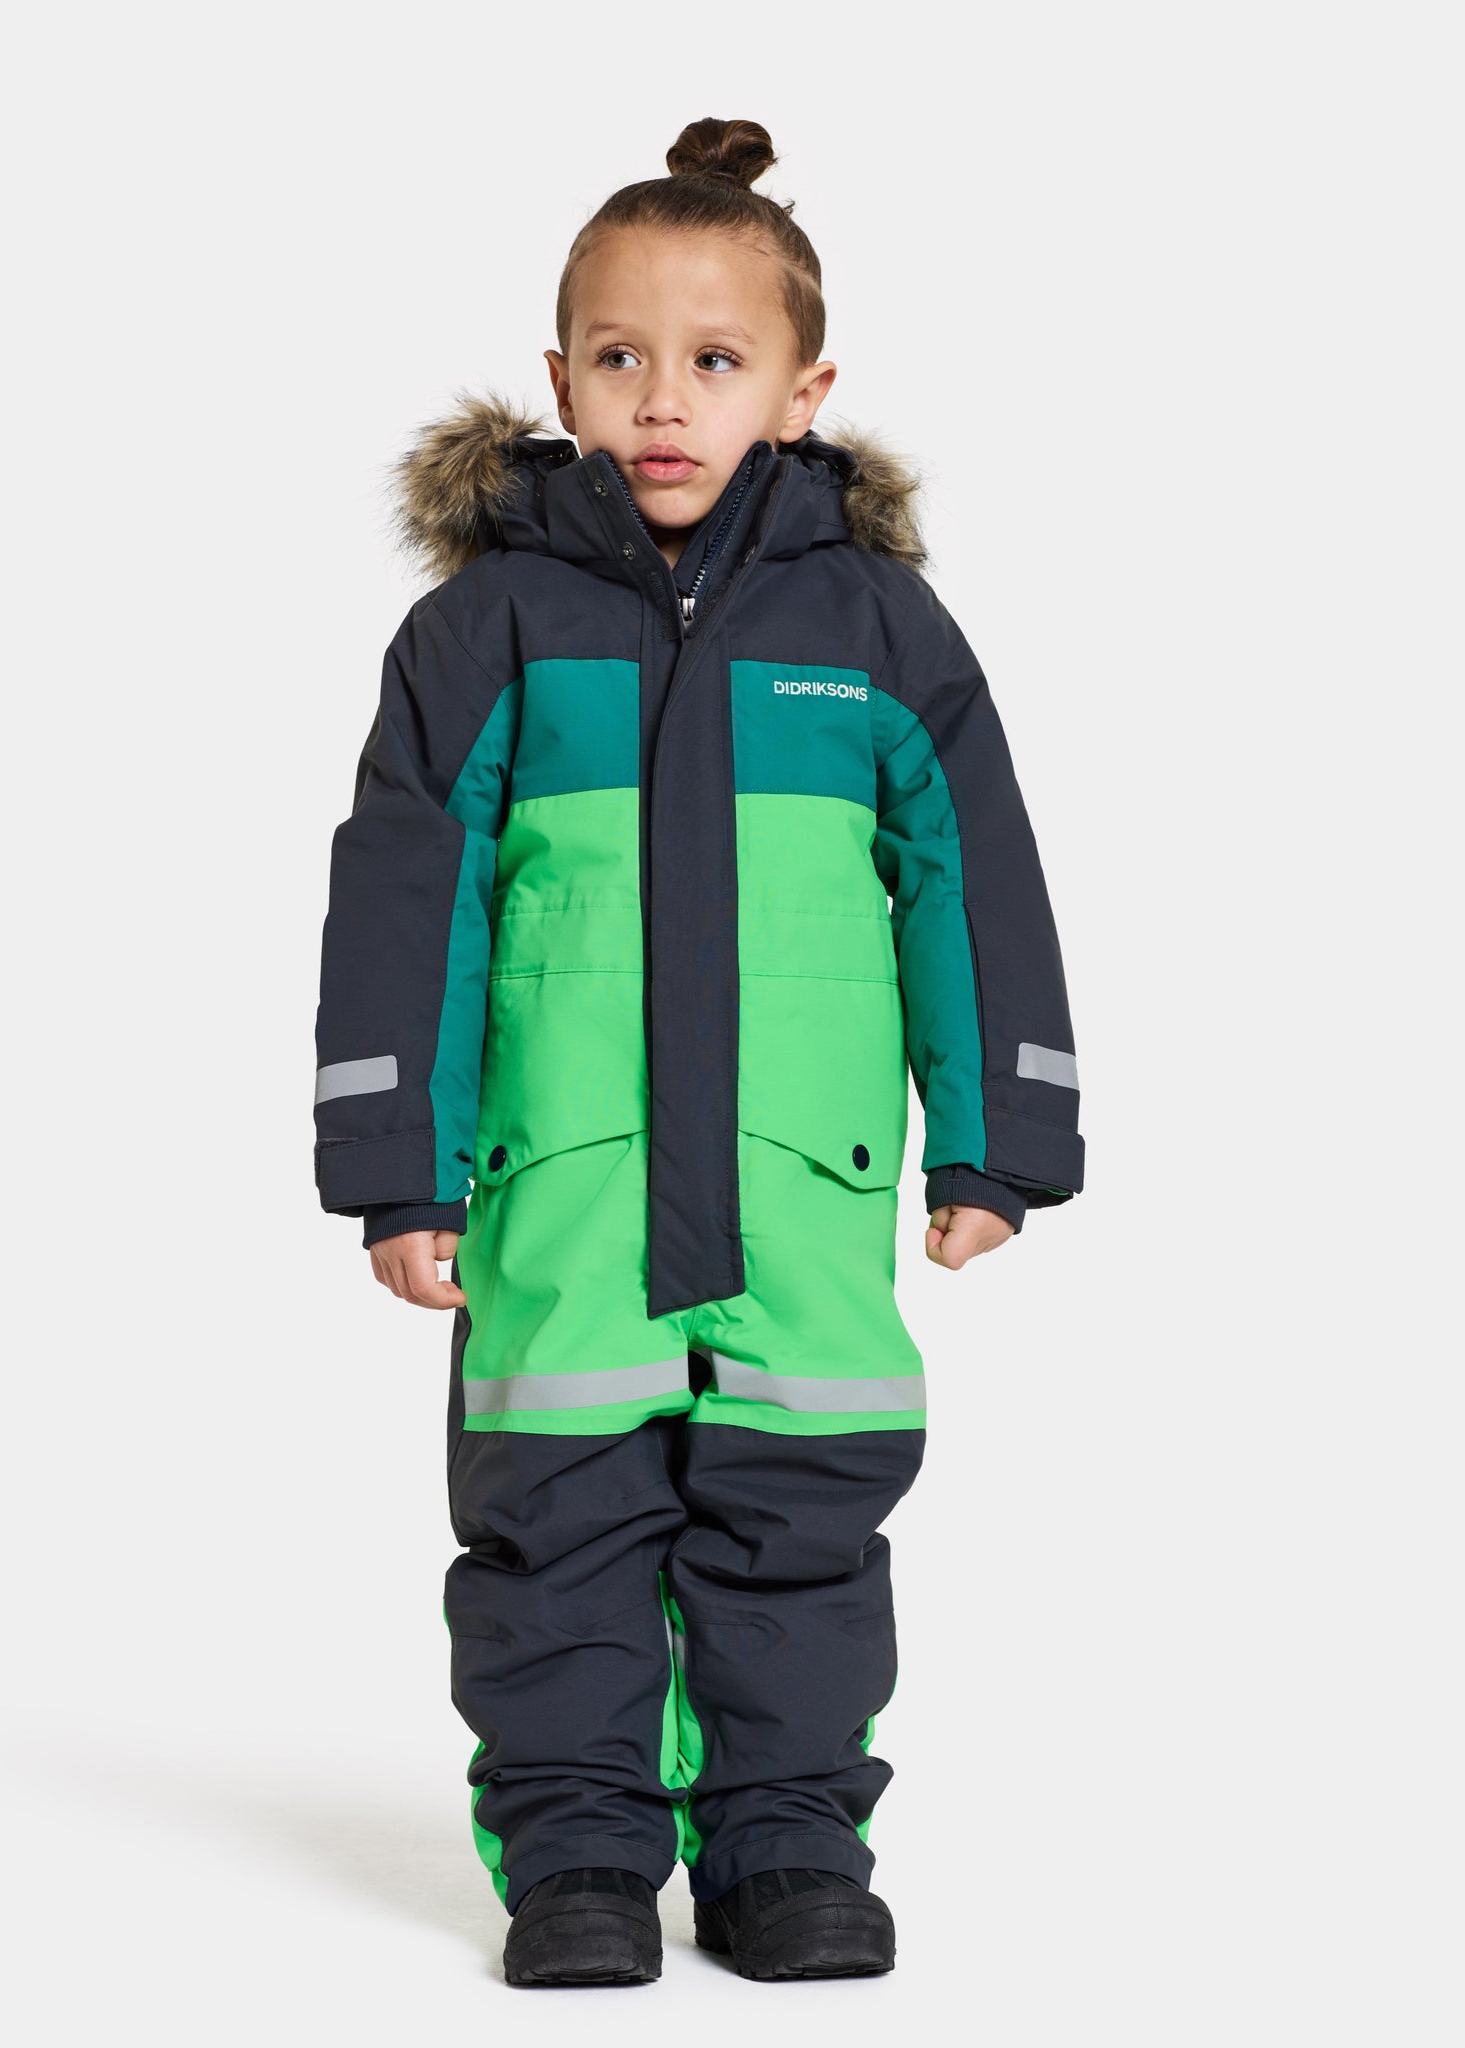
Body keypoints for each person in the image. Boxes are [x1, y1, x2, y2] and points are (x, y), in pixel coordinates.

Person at [312, 115, 1084, 1986]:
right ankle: (577, 1850)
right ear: (560, 374)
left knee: (800, 1526)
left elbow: (974, 886)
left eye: (717, 359)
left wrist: (1001, 1140)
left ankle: (787, 1840)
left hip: (799, 1192)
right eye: (621, 356)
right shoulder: (483, 633)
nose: (666, 400)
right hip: (562, 1194)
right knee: (555, 1527)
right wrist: (396, 1168)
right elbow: (407, 899)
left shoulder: (880, 634)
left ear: (805, 393)